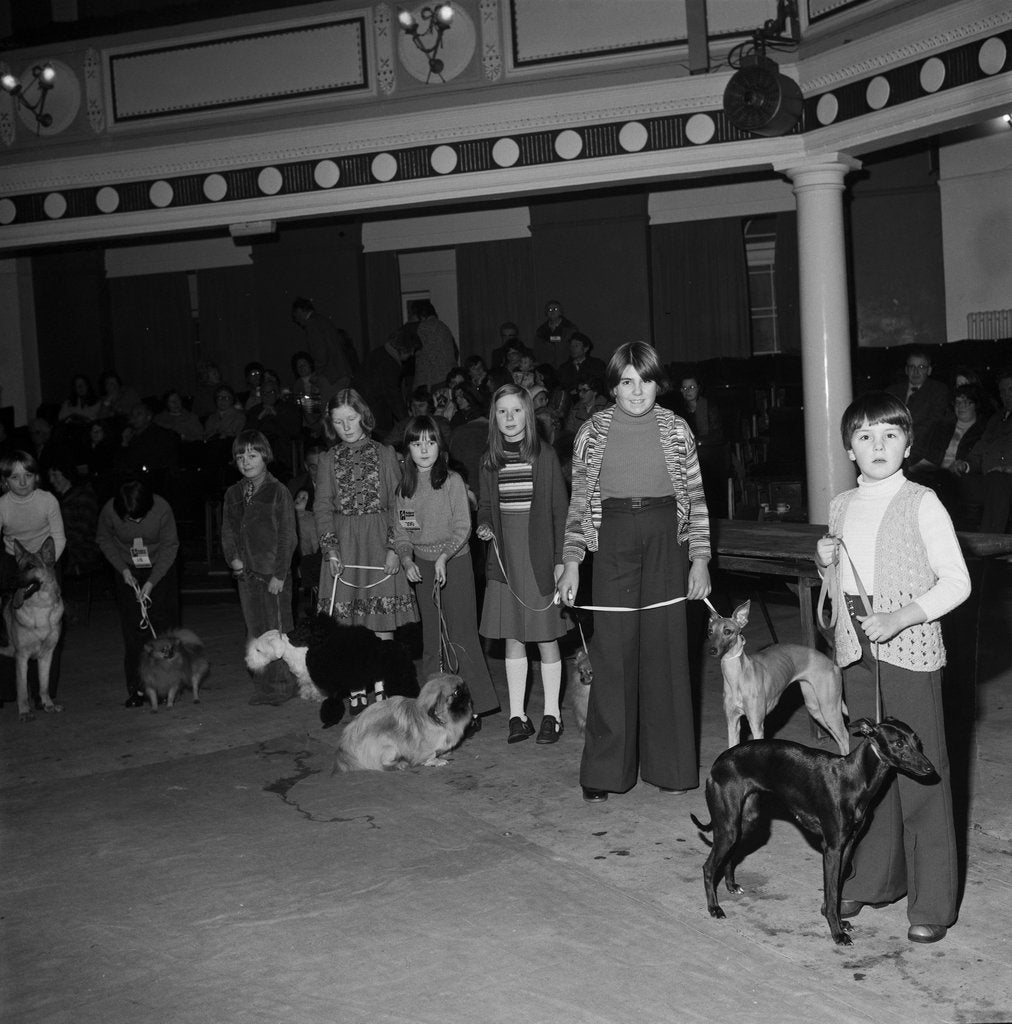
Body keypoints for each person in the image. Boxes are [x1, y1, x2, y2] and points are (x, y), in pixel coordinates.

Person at [814, 391, 970, 944]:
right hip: (857, 655)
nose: (877, 446)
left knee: (921, 775)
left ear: (907, 444)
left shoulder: (921, 501)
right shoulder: (841, 504)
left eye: (889, 435)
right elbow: (846, 577)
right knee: (867, 775)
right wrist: (825, 560)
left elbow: (957, 582)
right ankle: (876, 878)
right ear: (850, 450)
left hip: (909, 656)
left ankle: (932, 902)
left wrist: (902, 616)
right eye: (864, 436)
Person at [558, 341, 712, 803]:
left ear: (657, 383)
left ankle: (671, 766)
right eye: (627, 381)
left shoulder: (676, 428)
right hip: (614, 538)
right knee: (614, 652)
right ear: (613, 385)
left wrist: (700, 558)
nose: (638, 390)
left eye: (645, 380)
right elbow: (580, 503)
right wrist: (571, 561)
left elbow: (698, 499)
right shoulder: (592, 431)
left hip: (668, 536)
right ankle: (605, 772)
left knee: (666, 649)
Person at [476, 383, 571, 744]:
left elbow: (561, 513)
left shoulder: (543, 456)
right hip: (505, 562)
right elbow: (486, 507)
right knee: (514, 636)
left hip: (539, 559)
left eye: (517, 410)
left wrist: (562, 562)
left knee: (546, 637)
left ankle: (552, 714)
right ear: (494, 418)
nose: (510, 418)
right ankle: (518, 715)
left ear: (528, 415)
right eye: (503, 412)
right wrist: (484, 525)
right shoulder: (489, 460)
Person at [392, 415, 498, 718]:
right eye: (416, 442)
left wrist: (444, 557)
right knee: (432, 635)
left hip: (456, 563)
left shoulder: (451, 481)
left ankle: (476, 704)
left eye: (431, 441)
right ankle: (433, 704)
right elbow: (401, 531)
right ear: (408, 449)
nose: (424, 449)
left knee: (461, 634)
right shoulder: (404, 489)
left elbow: (463, 526)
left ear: (440, 445)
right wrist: (406, 558)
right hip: (422, 565)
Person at [313, 389, 417, 638]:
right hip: (345, 545)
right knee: (344, 630)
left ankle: (384, 677)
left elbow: (401, 505)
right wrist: (331, 550)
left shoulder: (385, 453)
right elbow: (322, 507)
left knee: (382, 626)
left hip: (380, 544)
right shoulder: (328, 459)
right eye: (338, 422)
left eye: (350, 418)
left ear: (363, 415)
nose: (346, 427)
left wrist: (395, 549)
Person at [220, 429, 299, 706]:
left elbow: (288, 536)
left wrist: (280, 573)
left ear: (265, 456)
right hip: (246, 575)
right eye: (240, 456)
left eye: (252, 455)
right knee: (254, 630)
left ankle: (281, 686)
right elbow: (227, 531)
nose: (246, 461)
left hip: (273, 574)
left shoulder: (279, 491)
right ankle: (262, 685)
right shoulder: (233, 494)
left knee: (276, 630)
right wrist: (234, 559)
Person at [96, 477, 179, 708]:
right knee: (134, 632)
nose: (136, 521)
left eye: (140, 516)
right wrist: (122, 570)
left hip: (160, 568)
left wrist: (151, 582)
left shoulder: (162, 508)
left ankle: (165, 688)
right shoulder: (110, 511)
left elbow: (170, 546)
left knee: (162, 630)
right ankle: (138, 689)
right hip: (128, 569)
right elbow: (104, 538)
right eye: (131, 518)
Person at [0, 451, 66, 661]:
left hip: (46, 556)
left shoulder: (48, 500)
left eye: (27, 475)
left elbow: (59, 537)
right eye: (14, 477)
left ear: (36, 477)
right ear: (5, 481)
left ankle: (45, 692)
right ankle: (10, 684)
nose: (22, 482)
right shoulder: (2, 505)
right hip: (14, 557)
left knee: (53, 619)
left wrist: (46, 567)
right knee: (8, 613)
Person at [906, 383, 987, 510]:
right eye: (957, 402)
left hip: (960, 476)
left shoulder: (983, 431)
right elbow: (927, 454)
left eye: (966, 402)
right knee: (908, 477)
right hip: (934, 471)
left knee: (940, 480)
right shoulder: (943, 427)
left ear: (975, 405)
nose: (961, 406)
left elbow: (978, 460)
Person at [951, 367, 1012, 532]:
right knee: (949, 483)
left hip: (1006, 479)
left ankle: (991, 544)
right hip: (987, 479)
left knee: (997, 480)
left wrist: (1007, 469)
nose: (1007, 395)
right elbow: (979, 450)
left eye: (1011, 389)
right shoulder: (996, 419)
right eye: (1003, 391)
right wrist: (965, 465)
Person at [885, 349, 950, 464]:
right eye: (911, 367)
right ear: (906, 370)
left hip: (921, 452)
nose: (915, 372)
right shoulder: (892, 392)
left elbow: (932, 424)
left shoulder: (938, 391)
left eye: (921, 367)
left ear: (929, 370)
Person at [291, 297, 357, 390]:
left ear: (299, 311)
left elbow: (321, 354)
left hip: (332, 378)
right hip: (341, 374)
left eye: (295, 316)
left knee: (329, 403)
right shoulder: (321, 320)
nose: (296, 320)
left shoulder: (312, 325)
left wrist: (317, 374)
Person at [412, 301, 457, 392]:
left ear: (420, 316)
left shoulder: (423, 327)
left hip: (432, 380)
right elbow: (455, 351)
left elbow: (422, 355)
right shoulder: (443, 326)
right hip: (448, 375)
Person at [533, 300, 579, 367]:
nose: (552, 311)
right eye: (550, 309)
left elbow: (576, 348)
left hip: (567, 366)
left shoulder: (570, 329)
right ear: (546, 313)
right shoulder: (541, 331)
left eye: (555, 309)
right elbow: (537, 351)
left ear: (561, 312)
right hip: (547, 368)